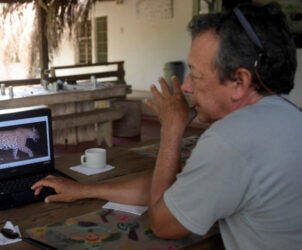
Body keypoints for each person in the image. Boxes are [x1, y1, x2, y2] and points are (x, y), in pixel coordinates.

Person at [32, 3, 302, 249]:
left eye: (194, 75)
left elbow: (163, 223)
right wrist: (83, 190)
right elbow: (178, 188)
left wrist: (172, 129)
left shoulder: (230, 140)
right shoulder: (291, 115)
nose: (186, 86)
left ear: (240, 82)